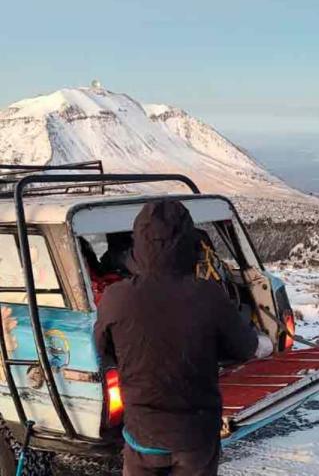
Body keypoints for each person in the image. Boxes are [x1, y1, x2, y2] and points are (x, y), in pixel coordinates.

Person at [94, 200, 259, 476]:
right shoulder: (209, 295)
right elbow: (246, 348)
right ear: (189, 243)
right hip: (195, 437)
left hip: (142, 435)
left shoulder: (116, 297)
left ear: (139, 243)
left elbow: (102, 350)